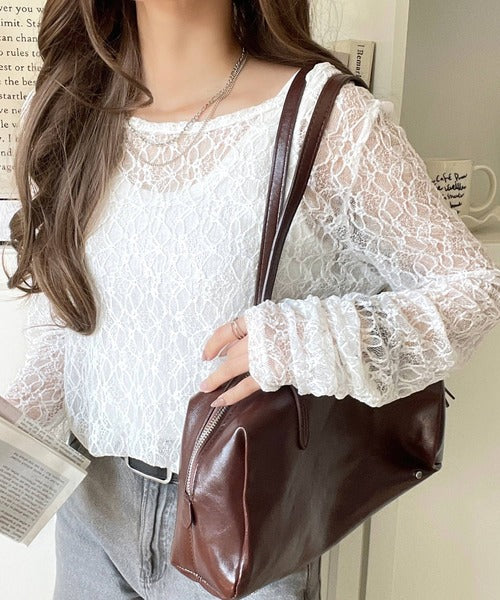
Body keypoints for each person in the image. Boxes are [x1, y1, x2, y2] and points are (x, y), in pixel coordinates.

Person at [2, 0, 500, 598]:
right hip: (90, 507)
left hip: (240, 517)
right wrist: (18, 419)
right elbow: (74, 320)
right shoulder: (75, 109)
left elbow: (472, 291)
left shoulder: (326, 118)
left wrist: (301, 340)